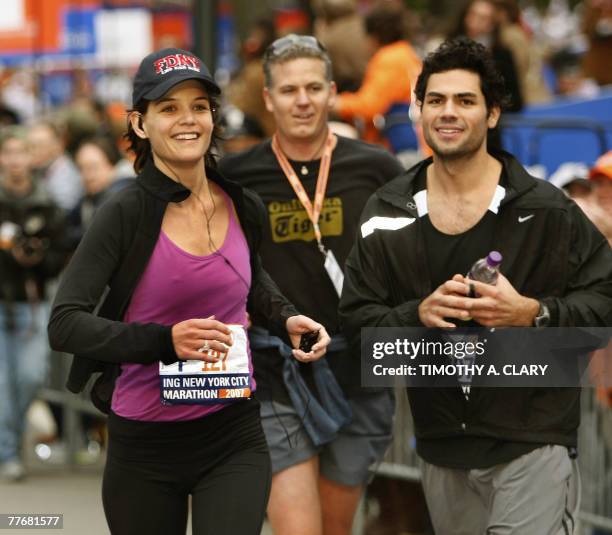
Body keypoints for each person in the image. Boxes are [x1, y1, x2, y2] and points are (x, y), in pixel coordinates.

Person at [47, 47, 330, 535]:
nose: (188, 120)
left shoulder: (241, 203)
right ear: (140, 124)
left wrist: (284, 319)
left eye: (199, 106)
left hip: (232, 434)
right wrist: (165, 341)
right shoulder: (125, 213)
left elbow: (248, 277)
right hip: (145, 446)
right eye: (169, 108)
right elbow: (65, 323)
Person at [339, 38, 612, 534]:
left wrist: (531, 313)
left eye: (465, 101)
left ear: (492, 114)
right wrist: (414, 316)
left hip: (532, 439)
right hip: (442, 444)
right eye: (436, 100)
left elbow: (604, 302)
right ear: (417, 110)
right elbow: (359, 329)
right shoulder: (387, 211)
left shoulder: (546, 209)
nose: (449, 113)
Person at [219, 34, 403, 535]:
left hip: (358, 368)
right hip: (277, 367)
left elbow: (406, 259)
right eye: (289, 90)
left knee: (335, 527)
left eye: (313, 88)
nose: (302, 100)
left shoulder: (377, 167)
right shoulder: (236, 176)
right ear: (269, 99)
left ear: (331, 92)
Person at [0, 127, 67, 481]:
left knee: (28, 377)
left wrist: (36, 255)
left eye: (20, 152)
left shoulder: (47, 203)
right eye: (7, 152)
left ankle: (9, 437)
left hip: (33, 301)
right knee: (2, 383)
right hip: (0, 300)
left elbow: (60, 256)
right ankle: (8, 451)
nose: (14, 160)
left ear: (30, 157)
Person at [332, 2, 422, 158]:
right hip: (416, 142)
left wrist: (335, 103)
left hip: (398, 147)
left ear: (374, 36)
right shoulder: (407, 53)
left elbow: (369, 105)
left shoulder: (388, 59)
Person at [27, 121, 83, 212]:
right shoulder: (43, 169)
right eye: (30, 146)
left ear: (58, 145)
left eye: (39, 145)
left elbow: (63, 214)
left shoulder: (65, 177)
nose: (33, 151)